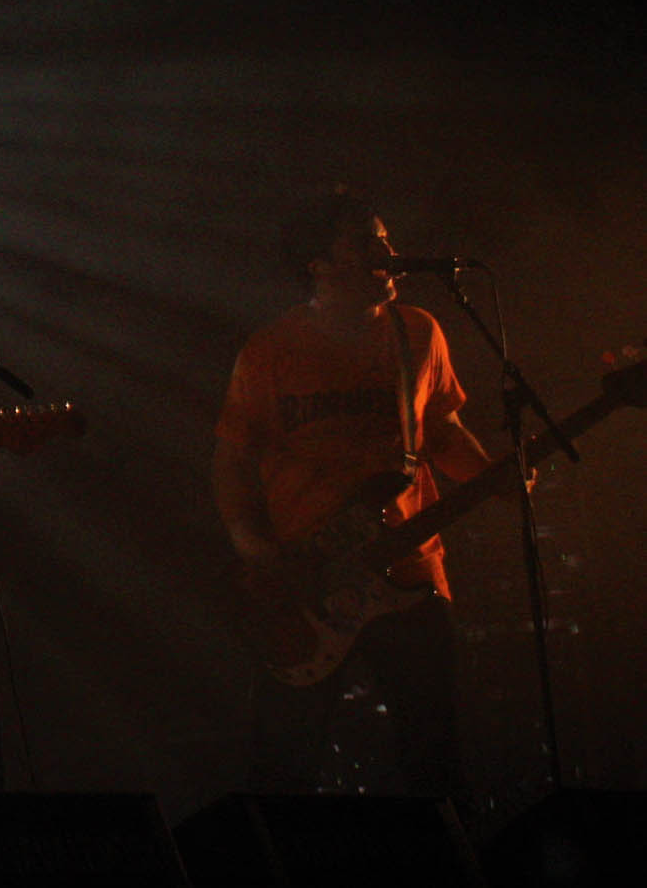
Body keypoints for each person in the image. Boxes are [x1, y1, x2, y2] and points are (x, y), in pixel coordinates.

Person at [213, 189, 497, 797]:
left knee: (435, 757)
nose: (387, 252)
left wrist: (496, 479)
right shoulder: (269, 352)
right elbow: (232, 460)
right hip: (308, 578)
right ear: (318, 263)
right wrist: (256, 551)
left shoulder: (416, 333)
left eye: (386, 239)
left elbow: (440, 427)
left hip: (409, 574)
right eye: (366, 241)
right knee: (284, 769)